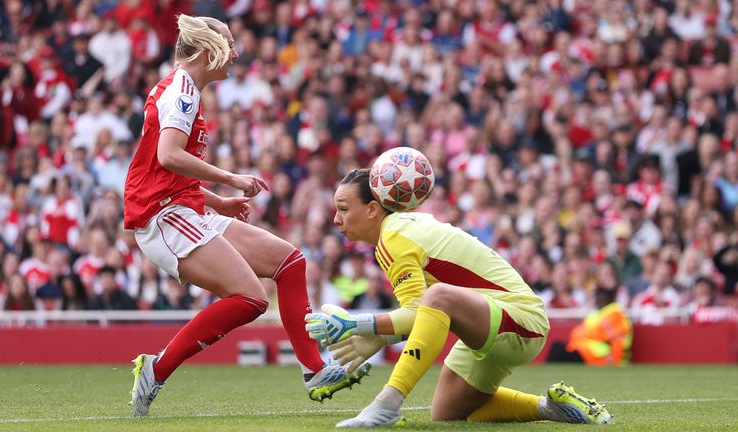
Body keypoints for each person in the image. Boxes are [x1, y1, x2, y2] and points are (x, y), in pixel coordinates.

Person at [123, 15, 369, 417]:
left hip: (181, 206)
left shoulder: (182, 87)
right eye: (229, 46)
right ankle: (157, 367)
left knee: (290, 262)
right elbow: (169, 156)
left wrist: (215, 202)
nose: (235, 54)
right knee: (251, 298)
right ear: (208, 51)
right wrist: (229, 179)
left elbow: (158, 169)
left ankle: (315, 370)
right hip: (162, 216)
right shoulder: (182, 90)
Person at [306, 169, 613, 427]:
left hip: (521, 321)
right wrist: (380, 337)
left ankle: (387, 403)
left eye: (344, 208)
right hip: (491, 323)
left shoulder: (393, 237)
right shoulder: (399, 230)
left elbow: (428, 306)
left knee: (438, 296)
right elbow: (424, 314)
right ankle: (551, 407)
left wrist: (357, 325)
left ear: (373, 209)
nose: (336, 219)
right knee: (446, 415)